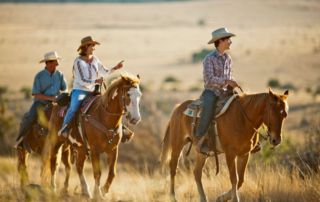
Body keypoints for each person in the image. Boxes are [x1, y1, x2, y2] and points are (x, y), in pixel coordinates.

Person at [58, 36, 124, 140]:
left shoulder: (95, 59)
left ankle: (119, 129)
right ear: (86, 47)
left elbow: (104, 71)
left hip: (92, 90)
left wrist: (115, 68)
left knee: (107, 103)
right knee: (74, 107)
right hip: (80, 90)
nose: (94, 48)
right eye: (92, 46)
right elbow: (81, 81)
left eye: (94, 46)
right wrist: (96, 81)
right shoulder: (78, 62)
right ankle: (64, 129)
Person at [14, 51, 68, 150]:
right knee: (30, 117)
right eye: (55, 61)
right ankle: (20, 140)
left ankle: (71, 141)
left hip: (57, 102)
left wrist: (61, 94)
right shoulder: (39, 76)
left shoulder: (60, 74)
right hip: (40, 102)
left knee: (68, 113)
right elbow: (36, 94)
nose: (58, 64)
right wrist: (51, 98)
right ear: (48, 63)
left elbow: (65, 88)